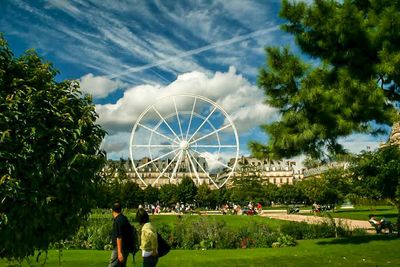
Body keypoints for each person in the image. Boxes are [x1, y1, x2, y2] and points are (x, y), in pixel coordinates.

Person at [109, 201, 132, 267]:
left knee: (112, 265)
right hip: (125, 248)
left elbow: (119, 237)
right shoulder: (124, 218)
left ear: (112, 210)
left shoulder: (117, 221)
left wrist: (119, 252)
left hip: (119, 248)